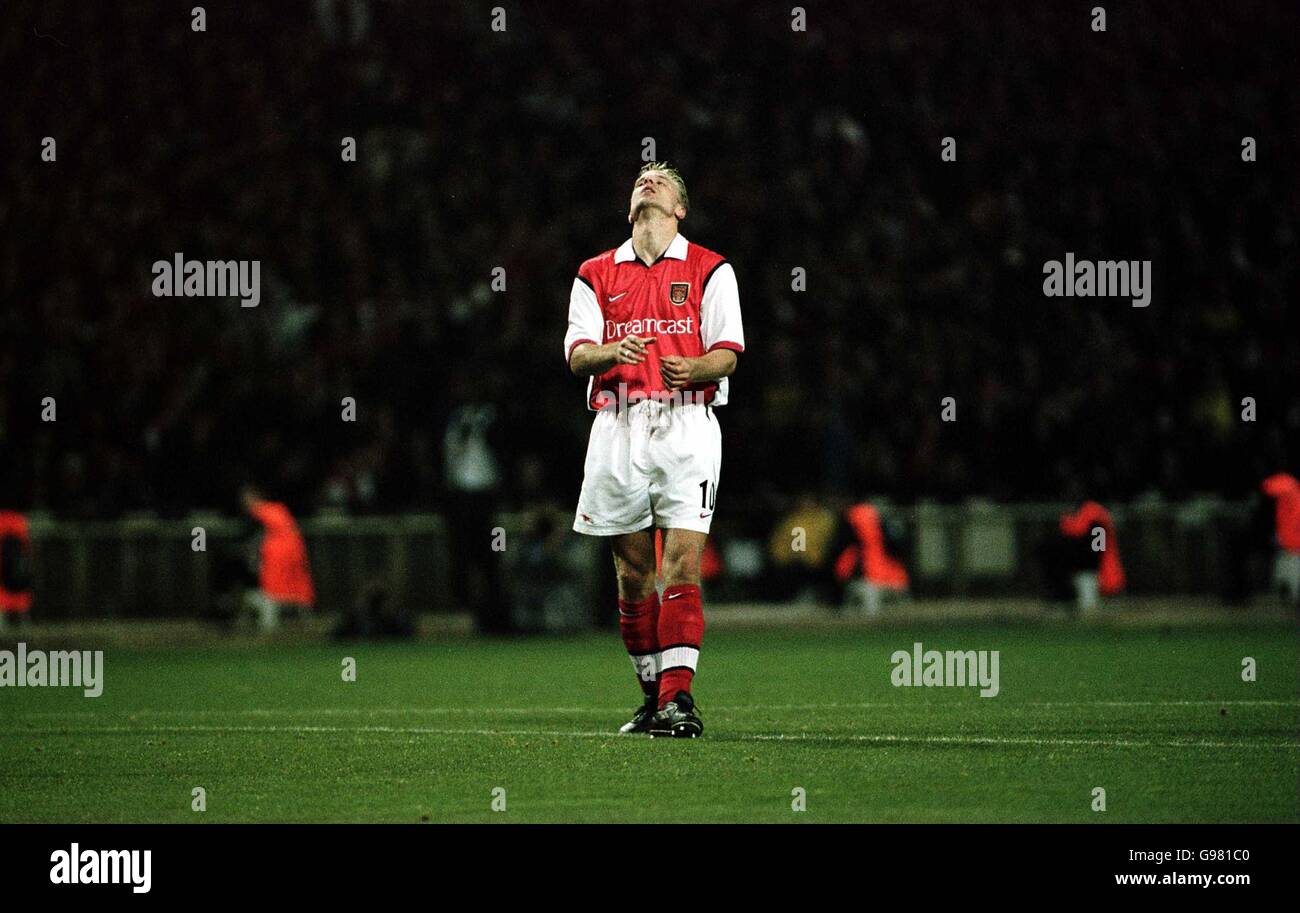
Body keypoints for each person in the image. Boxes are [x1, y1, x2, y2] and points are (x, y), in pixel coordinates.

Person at [564, 162, 744, 737]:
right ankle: (652, 697)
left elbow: (728, 353)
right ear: (629, 209)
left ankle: (678, 701)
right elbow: (576, 354)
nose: (648, 179)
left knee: (682, 560)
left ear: (680, 208)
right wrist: (614, 351)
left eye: (662, 179)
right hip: (618, 426)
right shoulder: (596, 272)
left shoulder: (711, 267)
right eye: (641, 177)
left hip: (686, 421)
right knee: (632, 573)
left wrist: (694, 366)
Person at [240, 487, 315, 628]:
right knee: (288, 590)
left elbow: (251, 539)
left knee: (273, 591)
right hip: (291, 553)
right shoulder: (277, 509)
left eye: (247, 498)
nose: (245, 502)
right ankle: (303, 622)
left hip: (281, 554)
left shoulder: (263, 512)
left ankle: (269, 624)